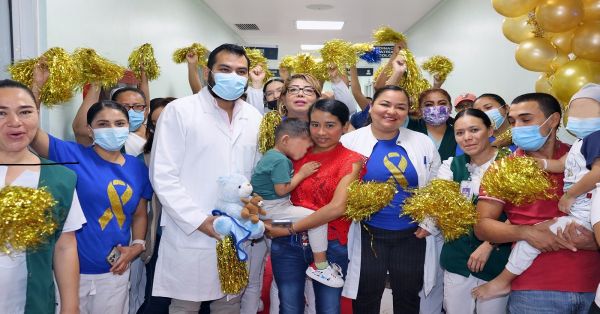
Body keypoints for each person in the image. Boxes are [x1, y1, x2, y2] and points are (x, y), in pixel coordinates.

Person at [150, 43, 263, 314]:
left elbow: (256, 175)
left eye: (241, 71)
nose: (233, 77)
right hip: (190, 230)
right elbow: (163, 175)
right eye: (225, 69)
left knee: (230, 302)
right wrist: (200, 220)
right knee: (185, 305)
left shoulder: (254, 117)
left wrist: (251, 211)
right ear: (207, 71)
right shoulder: (180, 111)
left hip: (236, 231)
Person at [473, 93, 600, 313]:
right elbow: (482, 227)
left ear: (553, 120)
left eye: (525, 119)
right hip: (534, 291)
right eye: (512, 121)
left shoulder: (580, 158)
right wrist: (527, 233)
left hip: (593, 289)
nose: (517, 127)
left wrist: (594, 240)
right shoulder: (504, 168)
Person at [340, 85, 441, 314]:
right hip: (367, 233)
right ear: (371, 106)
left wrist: (429, 221)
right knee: (366, 296)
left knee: (407, 297)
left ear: (407, 112)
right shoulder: (349, 142)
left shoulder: (421, 142)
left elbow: (436, 186)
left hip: (411, 235)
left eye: (400, 107)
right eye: (385, 104)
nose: (391, 111)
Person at [266, 98, 364, 314]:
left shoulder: (352, 160)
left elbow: (336, 208)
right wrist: (271, 224)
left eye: (330, 125)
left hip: (330, 243)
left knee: (328, 308)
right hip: (288, 244)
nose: (321, 132)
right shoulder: (294, 154)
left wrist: (290, 228)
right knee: (289, 306)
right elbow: (277, 197)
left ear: (345, 126)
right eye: (315, 124)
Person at [0, 79, 85, 313]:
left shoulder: (60, 178)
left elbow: (65, 247)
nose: (15, 122)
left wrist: (70, 307)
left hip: (32, 303)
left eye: (25, 111)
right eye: (1, 113)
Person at [251, 118, 345, 287]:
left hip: (266, 208)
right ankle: (320, 265)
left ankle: (268, 225)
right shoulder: (280, 160)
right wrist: (302, 173)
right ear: (285, 140)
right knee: (316, 219)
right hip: (273, 207)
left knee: (304, 221)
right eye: (303, 145)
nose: (305, 150)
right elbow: (281, 190)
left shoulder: (271, 156)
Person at [436, 108, 511, 314]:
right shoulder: (452, 166)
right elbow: (442, 209)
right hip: (457, 258)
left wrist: (488, 244)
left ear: (490, 130)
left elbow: (521, 215)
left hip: (497, 260)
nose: (467, 138)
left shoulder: (512, 164)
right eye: (460, 133)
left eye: (474, 130)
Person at [135, 97, 177, 314]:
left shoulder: (201, 152)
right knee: (157, 300)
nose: (161, 127)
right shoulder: (145, 157)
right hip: (160, 237)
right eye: (155, 123)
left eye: (166, 120)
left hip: (199, 236)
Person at [72, 71, 151, 157]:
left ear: (145, 110)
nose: (131, 111)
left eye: (137, 106)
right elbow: (81, 130)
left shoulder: (153, 131)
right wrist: (96, 82)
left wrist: (144, 72)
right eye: (125, 106)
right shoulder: (114, 136)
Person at [407, 88, 458, 161]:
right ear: (420, 110)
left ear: (450, 108)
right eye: (429, 105)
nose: (436, 108)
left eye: (442, 103)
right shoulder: (411, 126)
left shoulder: (457, 134)